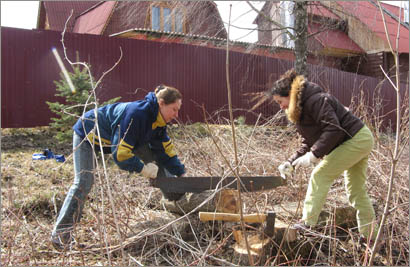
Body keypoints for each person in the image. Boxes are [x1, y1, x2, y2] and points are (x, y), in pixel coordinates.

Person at [51, 84, 186, 250]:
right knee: (84, 181)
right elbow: (120, 154)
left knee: (156, 159)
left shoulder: (158, 122)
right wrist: (142, 169)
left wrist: (180, 174)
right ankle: (61, 236)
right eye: (174, 109)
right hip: (88, 134)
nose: (176, 115)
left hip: (114, 140)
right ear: (161, 103)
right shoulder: (137, 115)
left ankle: (175, 197)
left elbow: (165, 150)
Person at [265, 68, 379, 241]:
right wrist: (291, 162)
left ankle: (308, 223)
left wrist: (314, 155)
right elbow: (309, 141)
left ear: (291, 94)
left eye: (281, 101)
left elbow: (334, 129)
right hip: (360, 138)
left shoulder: (316, 100)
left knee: (320, 175)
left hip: (356, 139)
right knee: (356, 191)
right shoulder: (300, 111)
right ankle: (372, 237)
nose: (281, 107)